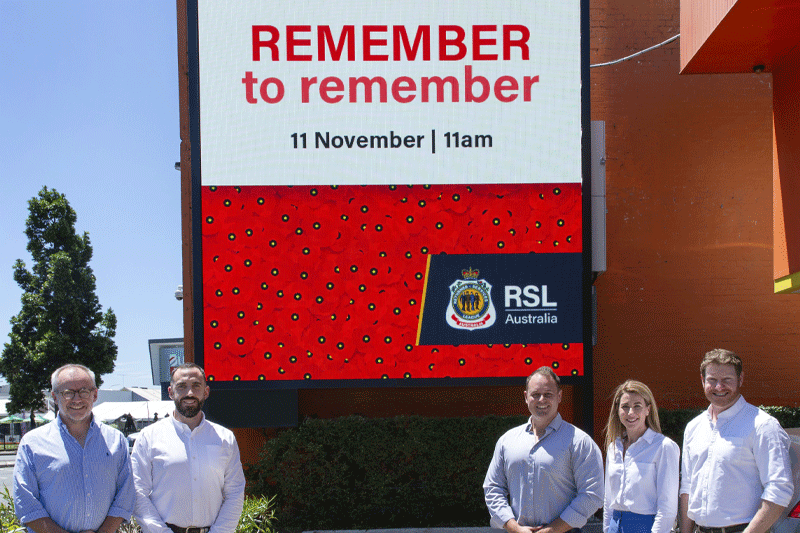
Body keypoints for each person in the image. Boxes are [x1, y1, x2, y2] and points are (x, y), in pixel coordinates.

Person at [679, 349, 794, 533]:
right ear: (702, 380)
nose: (719, 387)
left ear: (740, 379)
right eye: (712, 380)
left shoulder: (763, 425)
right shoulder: (694, 427)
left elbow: (780, 489)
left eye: (727, 380)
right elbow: (687, 488)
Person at [13, 363, 134, 533]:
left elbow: (125, 495)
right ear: (55, 397)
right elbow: (26, 503)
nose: (77, 399)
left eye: (84, 391)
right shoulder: (32, 443)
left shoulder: (116, 440)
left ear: (95, 394)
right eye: (68, 393)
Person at [484, 366, 604, 533]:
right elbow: (493, 488)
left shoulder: (579, 441)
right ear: (526, 397)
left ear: (559, 396)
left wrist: (553, 530)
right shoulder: (507, 441)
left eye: (548, 394)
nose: (541, 400)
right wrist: (513, 526)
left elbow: (592, 494)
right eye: (535, 394)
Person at [131, 363, 245, 533]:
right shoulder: (148, 437)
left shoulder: (224, 438)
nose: (189, 393)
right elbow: (137, 492)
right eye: (182, 386)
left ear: (206, 392)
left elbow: (235, 492)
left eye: (196, 386)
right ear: (170, 392)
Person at [603, 380, 679, 533]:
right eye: (625, 406)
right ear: (617, 410)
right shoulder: (613, 448)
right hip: (615, 526)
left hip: (646, 527)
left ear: (648, 410)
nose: (630, 412)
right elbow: (609, 499)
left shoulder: (663, 447)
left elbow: (667, 506)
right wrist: (607, 529)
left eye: (637, 406)